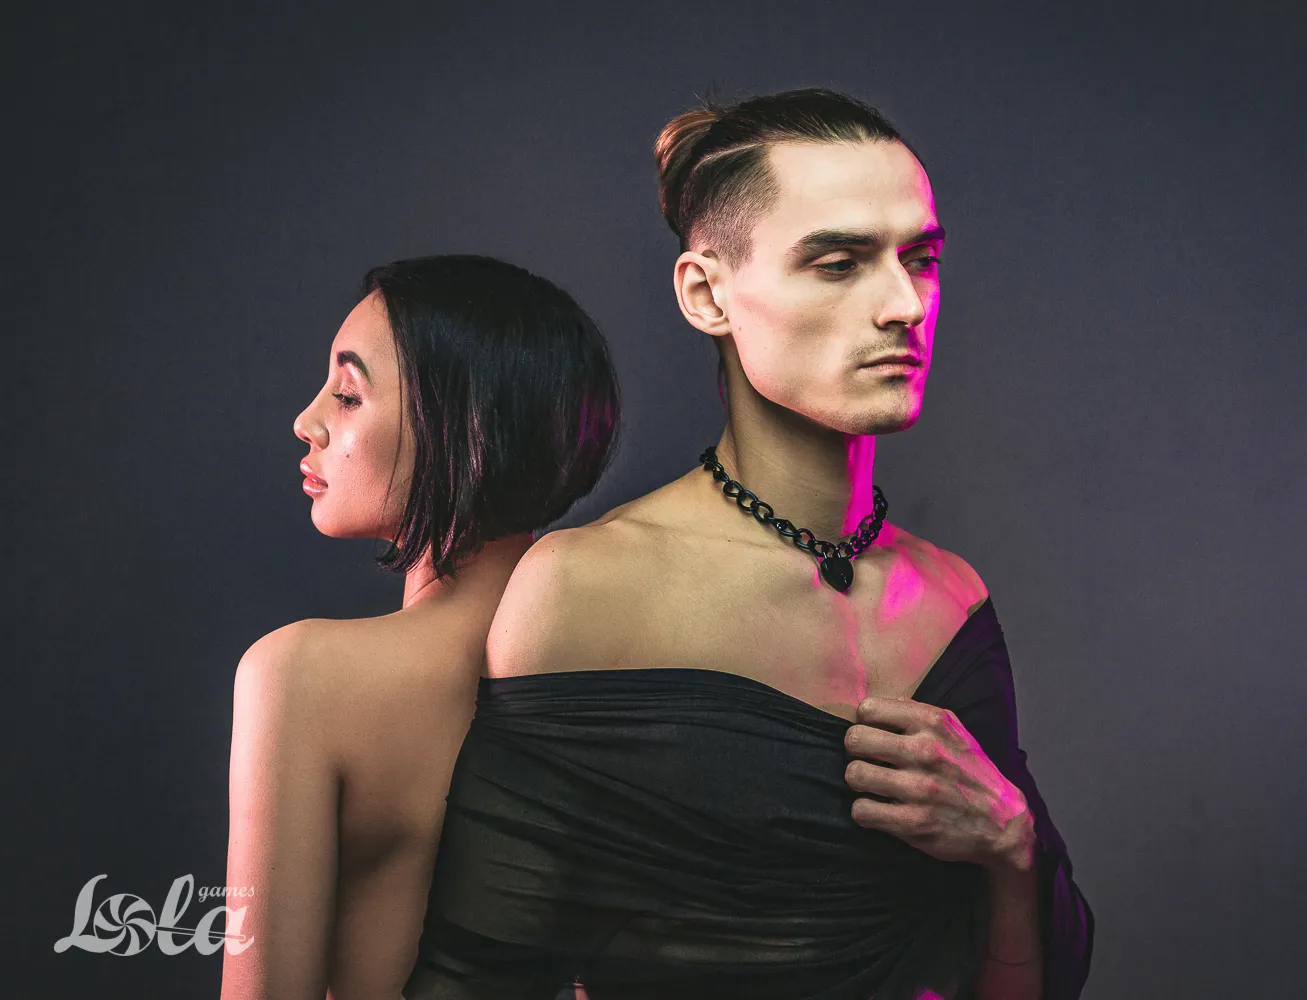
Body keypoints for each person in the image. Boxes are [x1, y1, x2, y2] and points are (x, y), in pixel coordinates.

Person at [405, 90, 1093, 1000]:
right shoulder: (588, 588)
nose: (904, 305)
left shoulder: (952, 598)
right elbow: (478, 981)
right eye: (839, 264)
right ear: (707, 294)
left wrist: (1012, 849)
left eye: (921, 259)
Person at [221, 255, 620, 1000]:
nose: (307, 422)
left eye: (348, 394)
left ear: (466, 432)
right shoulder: (624, 669)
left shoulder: (302, 677)